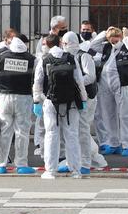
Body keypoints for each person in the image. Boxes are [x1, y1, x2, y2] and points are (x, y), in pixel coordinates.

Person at [34, 34, 87, 179]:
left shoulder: (44, 60)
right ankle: (76, 170)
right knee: (72, 135)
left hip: (50, 101)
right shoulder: (70, 58)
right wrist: (83, 99)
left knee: (51, 134)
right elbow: (79, 80)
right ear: (60, 43)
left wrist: (36, 101)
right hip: (70, 102)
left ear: (48, 45)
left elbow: (38, 82)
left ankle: (50, 170)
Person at [0, 31, 36, 174]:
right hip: (24, 98)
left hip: (4, 98)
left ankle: (0, 164)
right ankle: (21, 164)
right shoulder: (32, 59)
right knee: (22, 132)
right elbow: (37, 80)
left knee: (4, 131)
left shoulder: (2, 57)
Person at [90, 26, 128, 156]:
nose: (114, 39)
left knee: (125, 115)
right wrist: (104, 33)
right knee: (108, 114)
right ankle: (113, 143)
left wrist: (126, 37)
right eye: (111, 37)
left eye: (116, 36)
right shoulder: (106, 47)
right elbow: (93, 45)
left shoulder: (126, 47)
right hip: (105, 84)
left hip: (122, 85)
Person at [59, 31, 100, 176]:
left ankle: (85, 162)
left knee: (82, 130)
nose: (64, 46)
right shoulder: (68, 57)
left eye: (65, 43)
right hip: (74, 97)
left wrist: (75, 81)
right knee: (72, 131)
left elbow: (91, 76)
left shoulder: (84, 56)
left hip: (86, 98)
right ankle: (72, 161)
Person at [34, 15, 69, 155]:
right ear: (55, 28)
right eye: (63, 27)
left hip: (61, 82)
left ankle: (58, 149)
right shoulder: (44, 40)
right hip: (46, 81)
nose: (65, 30)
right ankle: (39, 144)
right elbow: (38, 57)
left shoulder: (64, 39)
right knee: (42, 119)